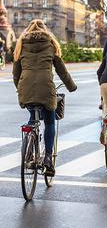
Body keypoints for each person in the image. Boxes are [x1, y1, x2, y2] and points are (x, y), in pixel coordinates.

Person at [12, 19, 77, 176]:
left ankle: (28, 152)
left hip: (25, 87)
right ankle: (48, 158)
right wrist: (71, 86)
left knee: (32, 116)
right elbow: (62, 71)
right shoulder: (50, 43)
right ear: (44, 29)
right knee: (49, 121)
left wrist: (20, 88)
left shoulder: (21, 45)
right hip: (46, 88)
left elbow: (16, 74)